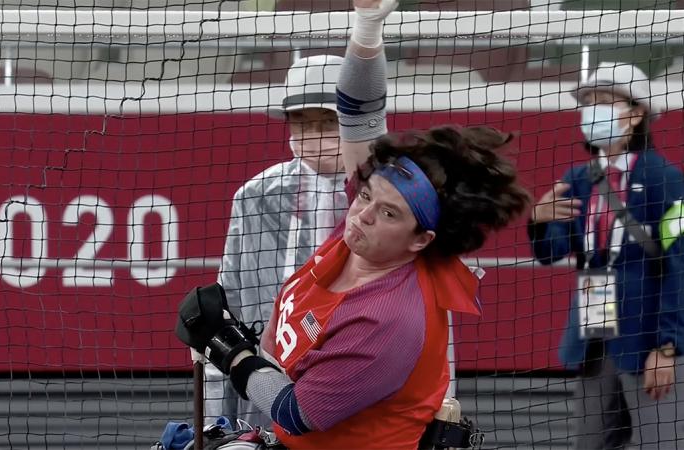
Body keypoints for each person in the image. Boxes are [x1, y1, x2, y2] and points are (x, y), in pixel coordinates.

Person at [176, 0, 530, 447]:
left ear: (422, 240)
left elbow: (295, 411)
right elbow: (361, 110)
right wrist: (366, 29)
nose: (360, 214)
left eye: (387, 213)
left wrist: (227, 347)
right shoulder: (371, 231)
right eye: (364, 195)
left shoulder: (387, 319)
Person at [528, 62, 684, 449]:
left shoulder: (668, 180)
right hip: (593, 330)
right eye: (588, 102)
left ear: (636, 113)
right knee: (593, 441)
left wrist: (668, 348)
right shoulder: (579, 178)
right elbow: (553, 252)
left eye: (603, 102)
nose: (592, 110)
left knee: (659, 439)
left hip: (647, 333)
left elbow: (681, 266)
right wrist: (537, 220)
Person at [206, 54, 350, 426]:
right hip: (265, 390)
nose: (312, 136)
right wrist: (218, 423)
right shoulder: (255, 196)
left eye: (326, 122)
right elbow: (230, 306)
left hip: (355, 389)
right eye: (301, 124)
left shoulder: (386, 197)